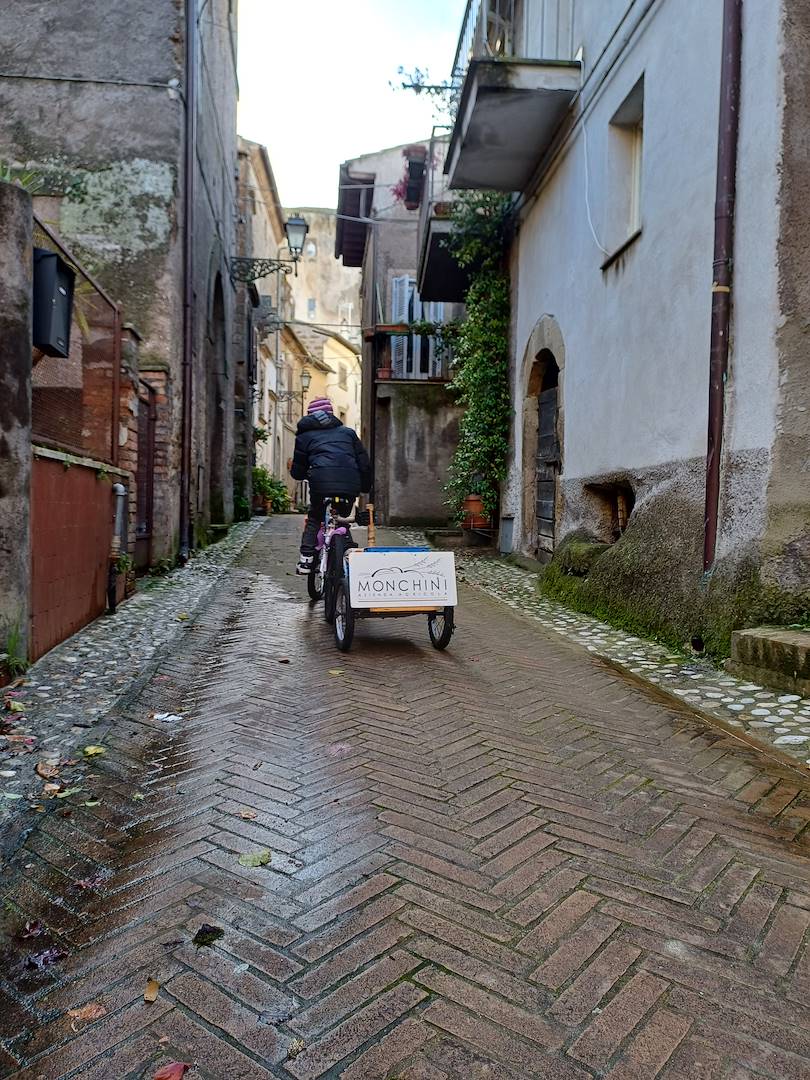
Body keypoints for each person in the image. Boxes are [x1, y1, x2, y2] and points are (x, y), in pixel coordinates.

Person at [290, 398, 371, 574]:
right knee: (342, 518)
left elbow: (298, 469)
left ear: (309, 415)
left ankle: (306, 560)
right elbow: (364, 463)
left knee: (315, 517)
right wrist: (365, 487)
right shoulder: (348, 433)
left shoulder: (304, 436)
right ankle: (347, 549)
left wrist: (305, 474)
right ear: (332, 415)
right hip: (349, 484)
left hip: (320, 484)